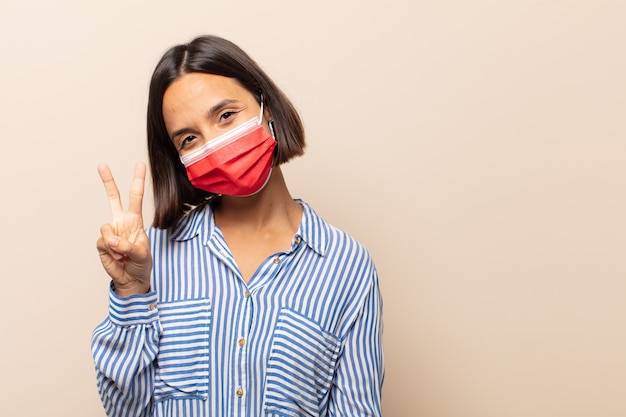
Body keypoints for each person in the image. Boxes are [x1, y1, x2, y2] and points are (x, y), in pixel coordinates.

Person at [91, 34, 384, 417]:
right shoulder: (151, 259)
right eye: (189, 138)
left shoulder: (347, 267)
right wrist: (131, 293)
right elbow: (125, 410)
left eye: (226, 115)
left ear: (268, 108)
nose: (215, 144)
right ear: (178, 158)